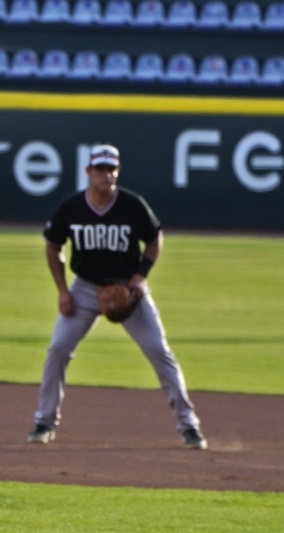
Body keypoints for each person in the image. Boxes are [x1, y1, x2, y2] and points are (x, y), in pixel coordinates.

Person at [27, 143, 206, 450]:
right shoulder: (71, 208)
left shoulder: (132, 205)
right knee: (57, 349)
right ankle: (44, 422)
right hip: (84, 289)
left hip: (128, 290)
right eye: (100, 169)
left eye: (111, 169)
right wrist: (62, 291)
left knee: (158, 351)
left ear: (117, 172)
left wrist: (141, 275)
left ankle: (189, 425)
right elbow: (53, 245)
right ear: (88, 172)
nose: (106, 175)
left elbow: (154, 238)